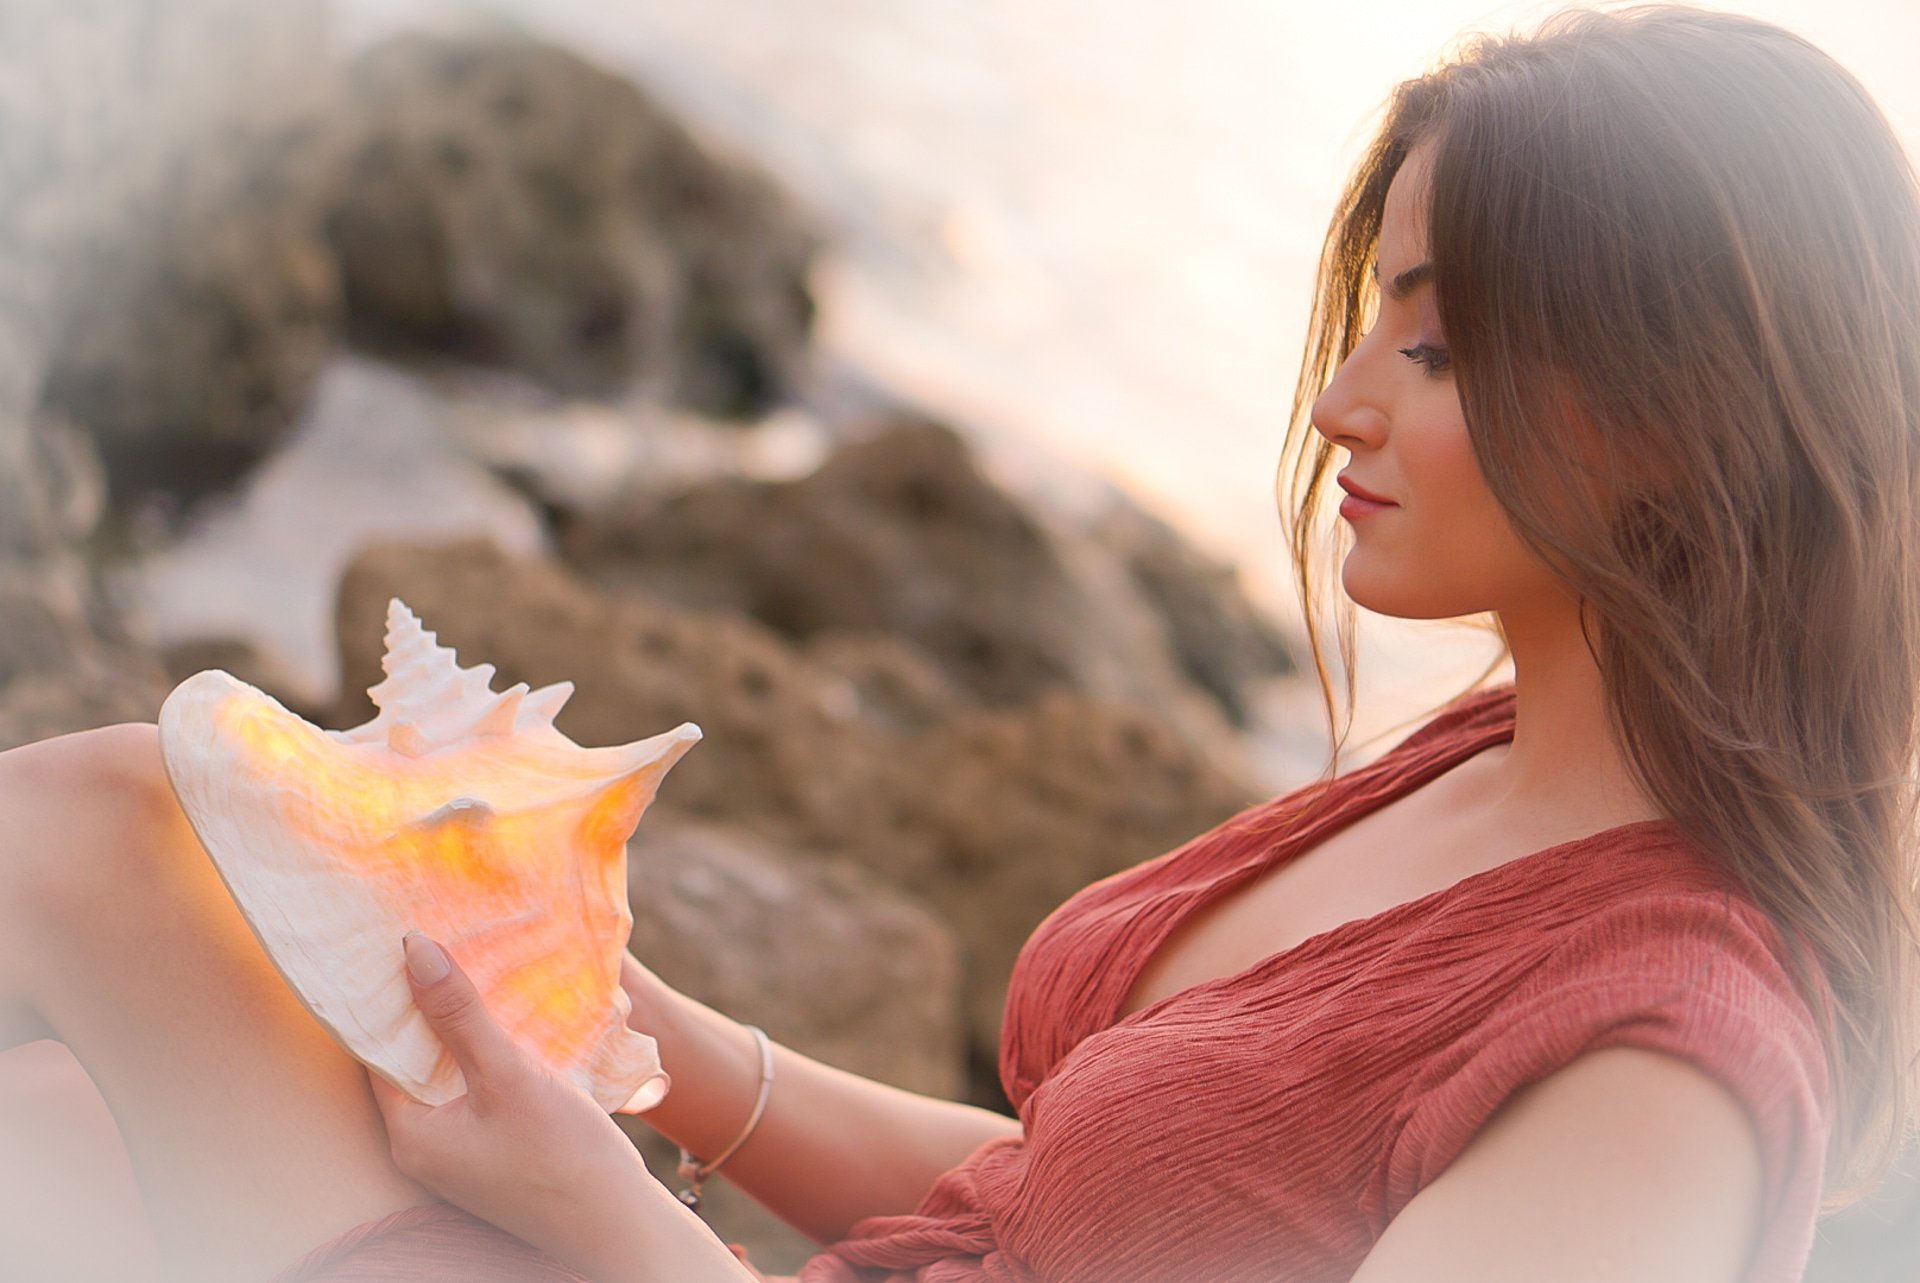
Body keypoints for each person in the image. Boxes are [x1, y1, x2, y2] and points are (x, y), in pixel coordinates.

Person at [1, 5, 1917, 1280]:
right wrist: (668, 1060)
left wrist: (606, 1217)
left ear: (1688, 407)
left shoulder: (1665, 1071)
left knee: (116, 830)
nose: (1338, 401)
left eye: (1433, 343)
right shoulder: (1485, 766)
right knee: (55, 1132)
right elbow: (1073, 1195)